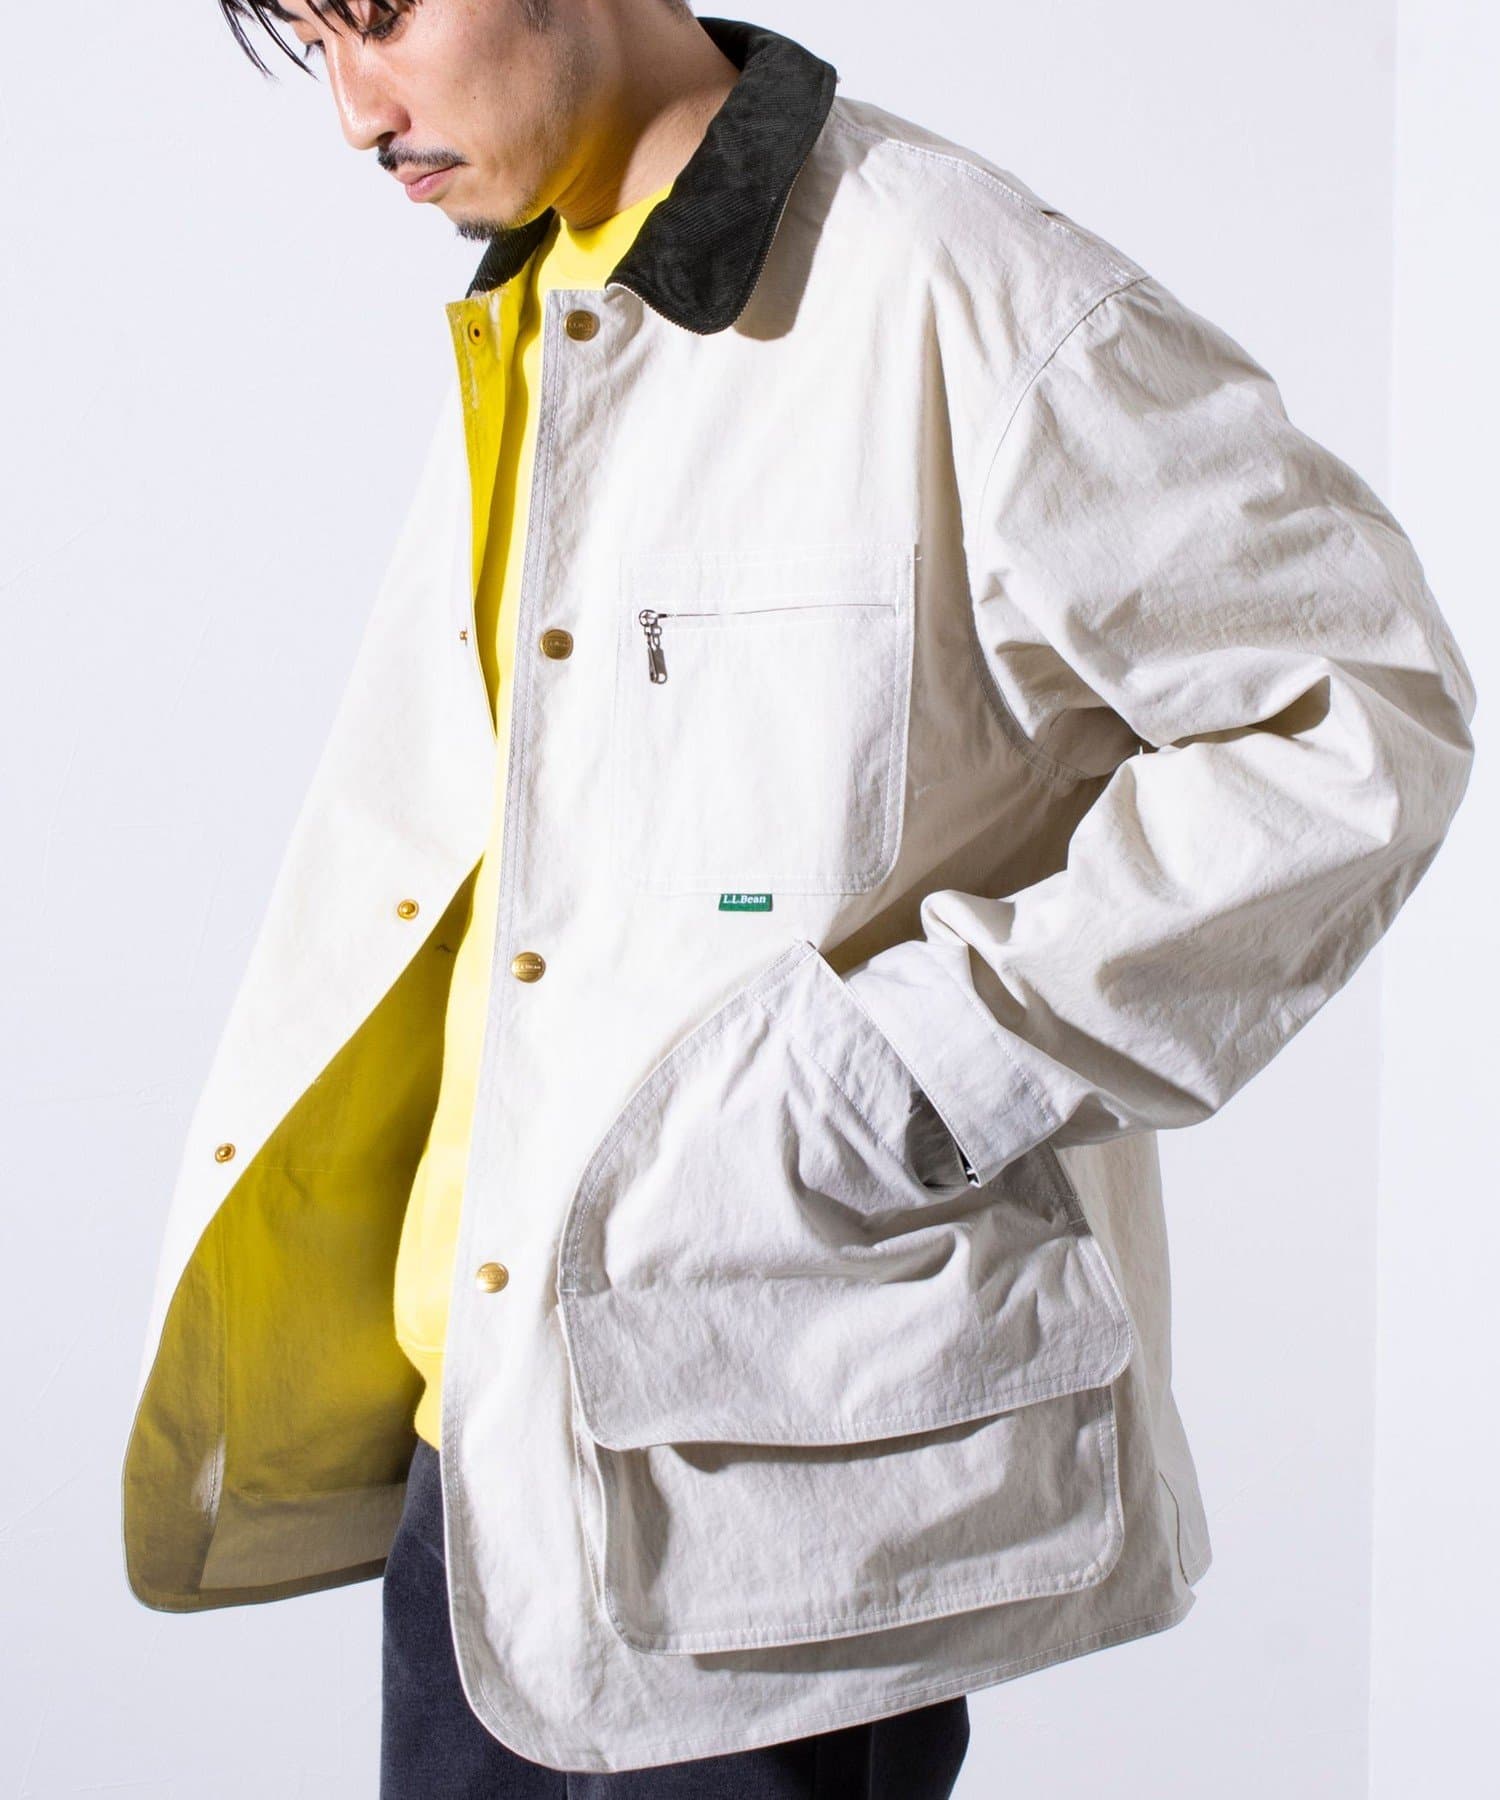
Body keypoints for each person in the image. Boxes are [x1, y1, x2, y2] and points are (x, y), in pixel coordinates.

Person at [122, 3, 1477, 1794]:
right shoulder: (541, 297)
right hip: (485, 1469)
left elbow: (1353, 715)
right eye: (310, 42)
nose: (355, 111)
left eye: (378, 14)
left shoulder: (954, 281)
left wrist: (903, 1072)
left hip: (777, 1482)